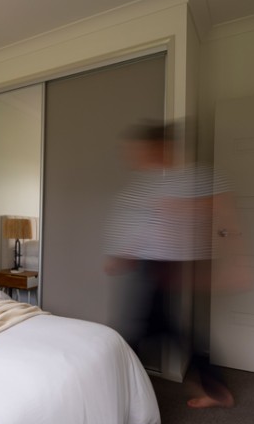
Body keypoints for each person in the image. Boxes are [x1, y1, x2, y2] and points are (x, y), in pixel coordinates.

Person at [104, 123, 244, 408]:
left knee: (140, 329)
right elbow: (149, 227)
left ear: (161, 148)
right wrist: (125, 254)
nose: (136, 157)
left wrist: (237, 262)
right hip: (150, 265)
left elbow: (222, 212)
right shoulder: (147, 184)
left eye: (141, 151)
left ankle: (119, 392)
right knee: (161, 328)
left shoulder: (194, 177)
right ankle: (214, 388)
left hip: (167, 266)